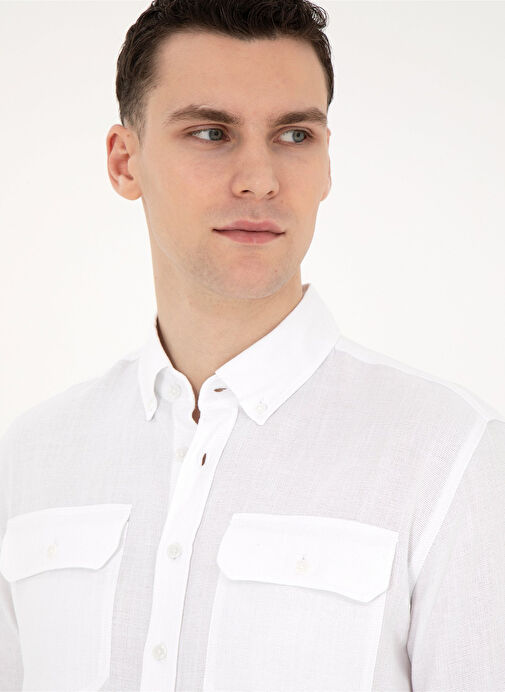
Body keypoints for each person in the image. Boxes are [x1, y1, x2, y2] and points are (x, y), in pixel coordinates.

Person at [1, 1, 504, 690]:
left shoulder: (448, 456)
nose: (260, 179)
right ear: (124, 162)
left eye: (294, 135)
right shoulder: (30, 462)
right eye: (211, 132)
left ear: (326, 164)